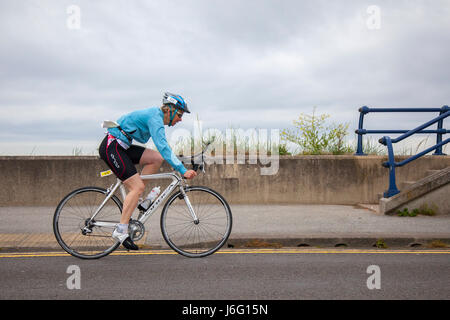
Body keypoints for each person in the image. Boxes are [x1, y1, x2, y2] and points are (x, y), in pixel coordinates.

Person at [98, 92, 197, 250]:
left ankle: (137, 200)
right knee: (137, 186)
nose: (180, 119)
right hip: (113, 146)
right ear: (169, 110)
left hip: (122, 146)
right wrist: (182, 169)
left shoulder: (155, 116)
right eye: (179, 114)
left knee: (156, 158)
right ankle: (121, 230)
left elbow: (162, 152)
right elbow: (163, 146)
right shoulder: (155, 117)